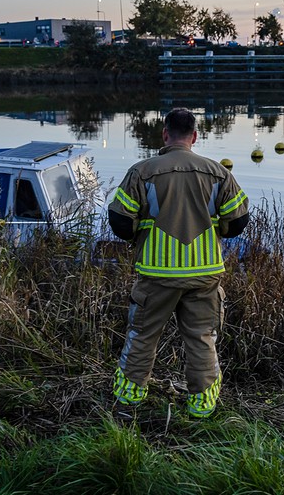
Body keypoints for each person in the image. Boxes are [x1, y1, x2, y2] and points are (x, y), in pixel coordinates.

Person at [107, 108, 249, 419]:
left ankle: (129, 401)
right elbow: (238, 222)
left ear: (165, 134)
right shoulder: (218, 173)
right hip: (205, 274)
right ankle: (202, 406)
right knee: (202, 338)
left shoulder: (142, 171)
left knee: (142, 335)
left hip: (156, 274)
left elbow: (119, 221)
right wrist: (218, 228)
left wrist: (137, 235)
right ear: (195, 136)